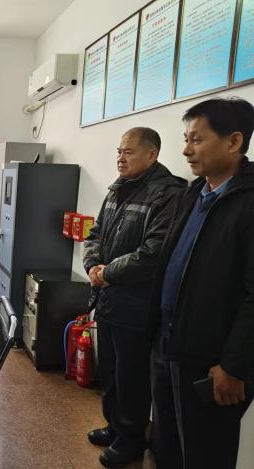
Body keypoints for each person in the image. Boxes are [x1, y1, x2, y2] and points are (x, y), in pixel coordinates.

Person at [149, 97, 254, 469]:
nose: (186, 150)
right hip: (169, 347)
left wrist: (235, 366)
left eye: (196, 139)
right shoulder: (193, 193)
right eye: (185, 139)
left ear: (234, 141)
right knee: (166, 448)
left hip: (211, 364)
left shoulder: (248, 202)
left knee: (205, 456)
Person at [83, 127, 186, 468]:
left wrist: (107, 272)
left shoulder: (167, 194)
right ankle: (114, 426)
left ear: (152, 154)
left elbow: (153, 253)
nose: (120, 158)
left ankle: (130, 440)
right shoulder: (118, 188)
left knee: (131, 377)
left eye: (128, 152)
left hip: (136, 305)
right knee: (110, 371)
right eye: (119, 151)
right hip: (108, 299)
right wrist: (92, 265)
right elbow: (95, 232)